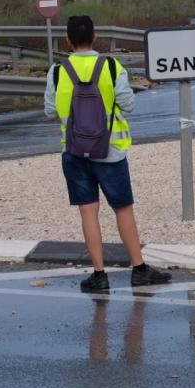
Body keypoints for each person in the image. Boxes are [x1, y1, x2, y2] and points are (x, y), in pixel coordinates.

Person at [44, 15, 171, 292]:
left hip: (75, 153)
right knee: (123, 209)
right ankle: (138, 269)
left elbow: (50, 111)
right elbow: (129, 105)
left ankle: (99, 275)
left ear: (67, 40)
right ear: (94, 38)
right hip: (111, 152)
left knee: (88, 212)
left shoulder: (57, 71)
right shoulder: (111, 67)